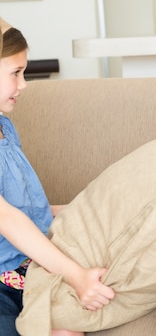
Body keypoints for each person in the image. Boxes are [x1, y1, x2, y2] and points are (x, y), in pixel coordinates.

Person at [0, 18, 115, 336]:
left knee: (68, 330)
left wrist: (92, 206)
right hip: (2, 281)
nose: (23, 84)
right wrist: (76, 276)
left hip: (30, 269)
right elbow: (6, 218)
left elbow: (26, 210)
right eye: (15, 72)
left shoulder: (5, 128)